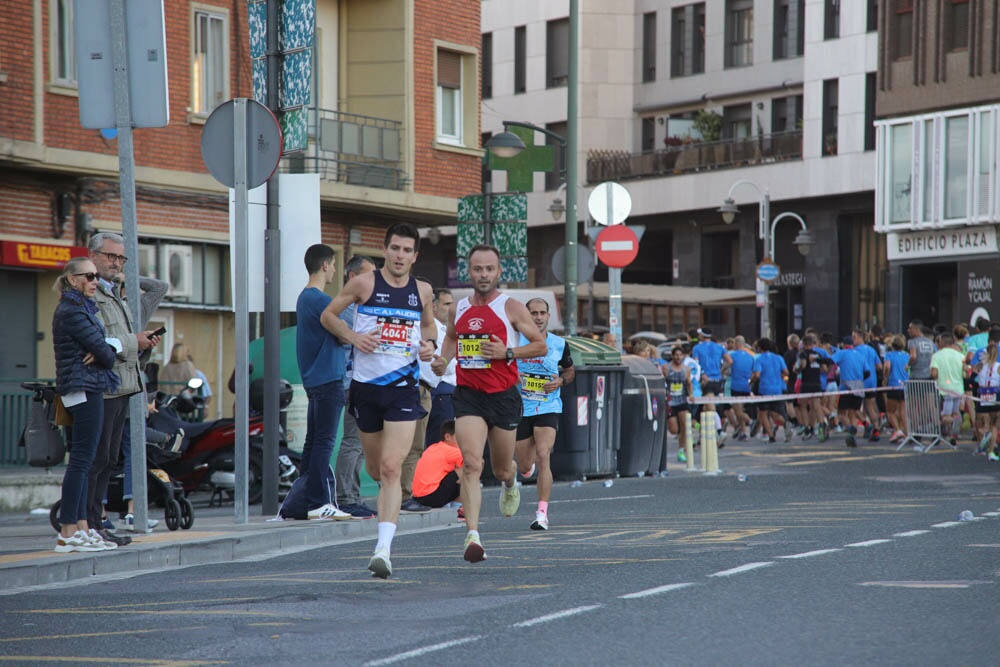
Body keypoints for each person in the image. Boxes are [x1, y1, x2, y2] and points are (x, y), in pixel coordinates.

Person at [320, 224, 437, 578]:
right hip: (366, 389)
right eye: (395, 249)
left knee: (390, 468)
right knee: (375, 467)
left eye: (407, 250)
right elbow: (328, 315)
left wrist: (429, 344)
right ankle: (384, 532)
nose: (400, 256)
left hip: (404, 388)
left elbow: (429, 328)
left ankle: (383, 549)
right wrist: (354, 336)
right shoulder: (364, 284)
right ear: (385, 250)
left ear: (415, 256)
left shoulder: (423, 291)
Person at [431, 244, 546, 563]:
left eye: (489, 269)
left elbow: (540, 346)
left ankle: (510, 482)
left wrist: (507, 353)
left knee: (500, 466)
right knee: (470, 463)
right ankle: (473, 535)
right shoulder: (460, 307)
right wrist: (443, 360)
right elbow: (453, 338)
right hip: (468, 395)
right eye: (477, 269)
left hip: (503, 396)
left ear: (498, 272)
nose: (483, 275)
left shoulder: (511, 307)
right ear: (469, 272)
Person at [88, 232, 161, 547]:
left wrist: (143, 346)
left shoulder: (116, 294)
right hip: (99, 388)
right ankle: (86, 524)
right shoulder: (89, 294)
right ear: (92, 256)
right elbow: (99, 343)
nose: (115, 263)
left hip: (123, 387)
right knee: (93, 459)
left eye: (121, 259)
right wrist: (135, 342)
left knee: (107, 460)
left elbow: (121, 342)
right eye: (110, 256)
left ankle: (96, 524)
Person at [51, 258, 121, 552]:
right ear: (71, 279)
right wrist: (106, 349)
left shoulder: (82, 308)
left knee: (86, 459)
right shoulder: (72, 311)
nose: (94, 281)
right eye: (88, 276)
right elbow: (104, 353)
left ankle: (81, 526)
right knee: (82, 460)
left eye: (95, 276)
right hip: (83, 387)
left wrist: (107, 348)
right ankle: (68, 530)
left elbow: (105, 348)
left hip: (87, 386)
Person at [295, 244, 354, 521]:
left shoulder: (303, 298)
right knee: (324, 442)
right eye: (334, 265)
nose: (334, 270)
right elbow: (343, 334)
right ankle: (318, 501)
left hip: (314, 380)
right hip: (329, 378)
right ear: (326, 266)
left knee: (313, 442)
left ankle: (302, 500)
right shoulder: (320, 300)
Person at [513, 298, 574, 531]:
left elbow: (569, 371)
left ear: (549, 316)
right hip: (521, 407)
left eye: (542, 313)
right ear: (526, 316)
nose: (538, 317)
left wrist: (560, 380)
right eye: (533, 313)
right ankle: (526, 470)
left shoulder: (559, 344)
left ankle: (541, 513)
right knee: (524, 465)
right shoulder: (515, 341)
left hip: (548, 406)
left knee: (543, 454)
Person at [332, 254, 378, 519]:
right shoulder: (346, 311)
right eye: (368, 275)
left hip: (363, 383)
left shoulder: (359, 309)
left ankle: (352, 497)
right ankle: (346, 498)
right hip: (352, 383)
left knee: (359, 443)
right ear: (352, 277)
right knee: (353, 442)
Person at [425, 288, 457, 448]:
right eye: (447, 304)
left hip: (446, 394)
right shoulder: (433, 331)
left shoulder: (445, 329)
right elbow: (449, 367)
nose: (451, 308)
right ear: (433, 306)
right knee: (438, 446)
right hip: (440, 394)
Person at [411, 420, 464, 509]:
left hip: (418, 498)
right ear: (447, 436)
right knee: (469, 469)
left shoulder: (434, 447)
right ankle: (458, 510)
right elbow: (475, 461)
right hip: (432, 497)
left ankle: (450, 506)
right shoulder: (451, 450)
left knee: (456, 471)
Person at [930, 332, 966, 446]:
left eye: (939, 341)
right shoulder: (960, 356)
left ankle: (953, 425)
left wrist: (938, 375)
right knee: (954, 412)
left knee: (946, 416)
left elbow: (934, 373)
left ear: (943, 342)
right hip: (958, 389)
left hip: (945, 390)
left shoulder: (937, 355)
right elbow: (966, 373)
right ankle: (951, 435)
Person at [750, 337, 789, 443]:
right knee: (775, 413)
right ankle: (786, 424)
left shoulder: (759, 359)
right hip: (777, 388)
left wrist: (751, 381)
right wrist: (777, 376)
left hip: (765, 389)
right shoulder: (778, 358)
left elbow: (757, 375)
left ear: (760, 348)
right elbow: (786, 372)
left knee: (763, 413)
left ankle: (771, 436)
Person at [833, 336, 866, 447]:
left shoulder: (842, 353)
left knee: (841, 413)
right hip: (859, 386)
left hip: (846, 387)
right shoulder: (860, 355)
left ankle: (851, 430)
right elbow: (867, 372)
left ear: (843, 344)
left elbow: (831, 361)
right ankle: (852, 437)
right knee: (852, 413)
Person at [852, 329, 883, 442]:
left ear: (860, 337)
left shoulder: (856, 351)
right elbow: (879, 366)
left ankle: (866, 424)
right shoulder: (871, 350)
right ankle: (876, 430)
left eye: (854, 337)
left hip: (860, 382)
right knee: (870, 407)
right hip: (872, 381)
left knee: (854, 407)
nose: (853, 339)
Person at [663, 346, 692, 462]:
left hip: (682, 400)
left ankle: (681, 450)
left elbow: (689, 383)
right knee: (674, 430)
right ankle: (677, 432)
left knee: (685, 424)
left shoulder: (686, 369)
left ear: (683, 356)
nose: (678, 357)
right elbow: (662, 382)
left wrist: (691, 394)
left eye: (680, 355)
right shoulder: (666, 368)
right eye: (676, 355)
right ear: (672, 356)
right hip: (670, 401)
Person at [883, 334, 910, 443]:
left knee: (890, 411)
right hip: (905, 385)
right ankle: (907, 433)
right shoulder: (907, 355)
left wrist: (885, 378)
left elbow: (887, 367)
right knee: (903, 411)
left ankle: (898, 430)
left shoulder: (889, 355)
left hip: (893, 384)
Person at [728, 336, 755, 440]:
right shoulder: (750, 357)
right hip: (746, 386)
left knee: (738, 412)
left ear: (736, 344)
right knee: (741, 410)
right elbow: (753, 372)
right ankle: (743, 432)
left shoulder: (732, 355)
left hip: (736, 386)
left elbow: (728, 368)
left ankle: (751, 422)